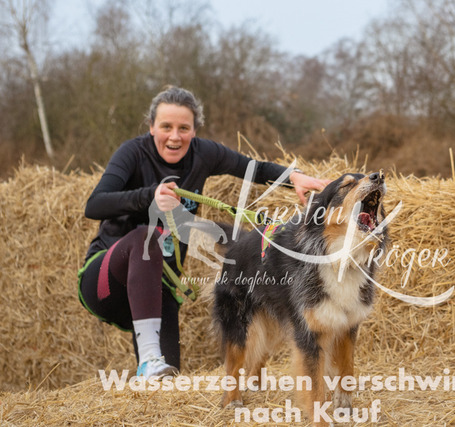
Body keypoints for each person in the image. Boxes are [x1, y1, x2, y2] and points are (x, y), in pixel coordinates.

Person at [78, 86, 329, 378]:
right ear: (151, 127)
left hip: (157, 289)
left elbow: (255, 169)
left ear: (194, 130)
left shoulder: (203, 153)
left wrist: (294, 177)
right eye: (166, 127)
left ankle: (153, 367)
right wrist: (150, 195)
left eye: (183, 128)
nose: (175, 136)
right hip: (105, 284)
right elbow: (94, 204)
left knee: (168, 381)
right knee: (146, 237)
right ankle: (149, 359)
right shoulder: (132, 153)